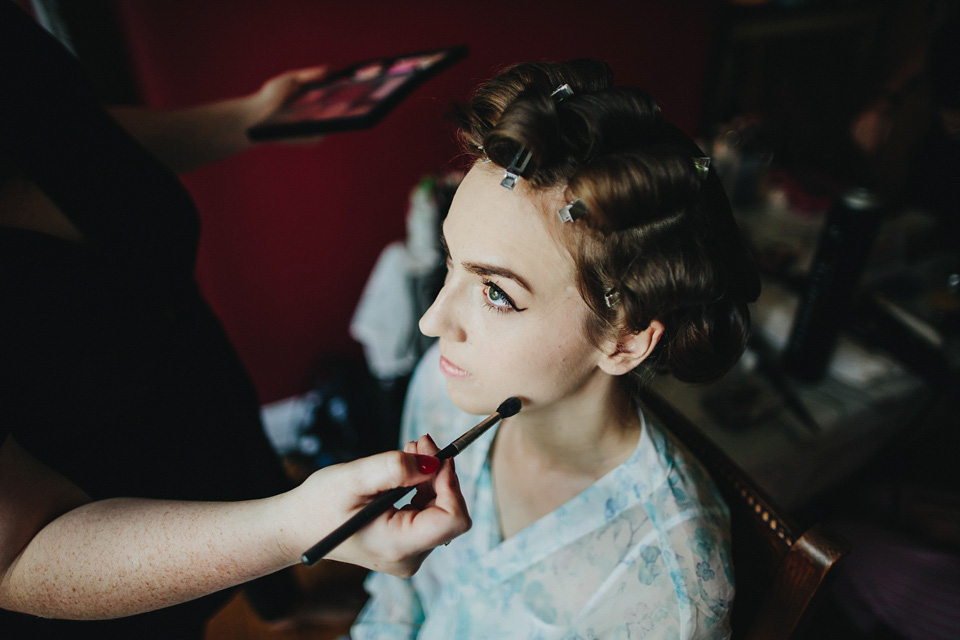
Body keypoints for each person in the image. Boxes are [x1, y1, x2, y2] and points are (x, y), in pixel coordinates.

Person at [0, 3, 469, 638]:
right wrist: (291, 529)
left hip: (196, 387)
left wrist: (248, 119)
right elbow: (20, 553)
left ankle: (283, 608)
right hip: (91, 550)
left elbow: (77, 138)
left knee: (246, 491)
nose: (432, 320)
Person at [350, 59, 761, 639]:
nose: (430, 320)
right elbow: (397, 600)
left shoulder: (668, 587)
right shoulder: (445, 390)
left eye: (496, 292)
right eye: (450, 262)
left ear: (624, 340)